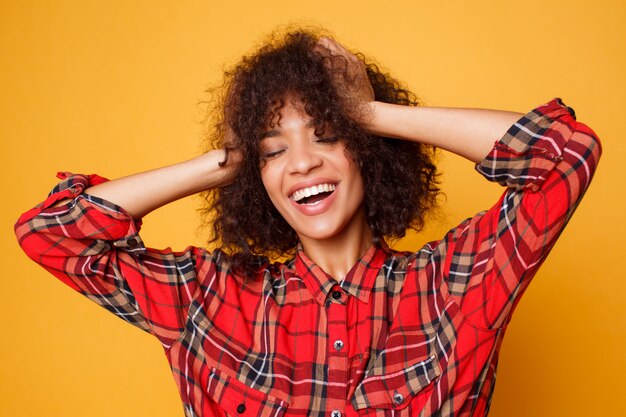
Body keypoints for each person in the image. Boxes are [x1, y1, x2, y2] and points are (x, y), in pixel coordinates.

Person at [14, 30, 601, 417]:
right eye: (274, 151)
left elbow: (563, 155)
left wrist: (366, 112)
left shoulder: (455, 287)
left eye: (328, 136)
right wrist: (225, 162)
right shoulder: (209, 300)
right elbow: (51, 235)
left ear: (368, 151)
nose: (301, 163)